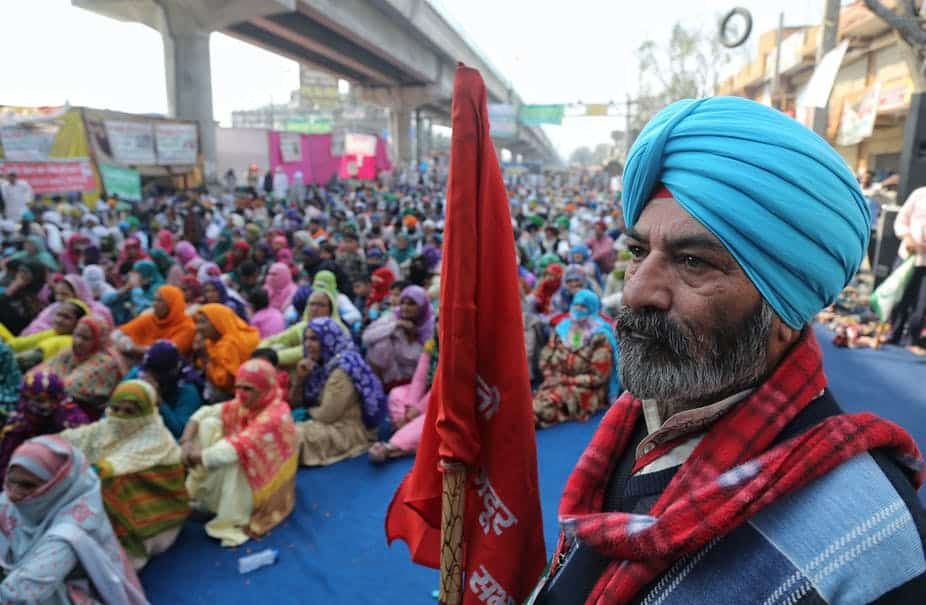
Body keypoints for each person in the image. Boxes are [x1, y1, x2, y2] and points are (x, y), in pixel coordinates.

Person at [530, 96, 926, 603]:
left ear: (785, 306)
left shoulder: (875, 542)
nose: (635, 292)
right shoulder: (637, 420)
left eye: (693, 261)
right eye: (637, 252)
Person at [0, 435, 149, 604]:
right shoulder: (31, 498)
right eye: (10, 482)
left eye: (28, 486)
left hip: (70, 592)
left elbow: (21, 593)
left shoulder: (72, 530)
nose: (12, 495)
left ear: (58, 485)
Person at [60, 380, 189, 570]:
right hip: (111, 504)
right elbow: (81, 436)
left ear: (147, 412)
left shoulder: (157, 439)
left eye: (130, 412)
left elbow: (116, 465)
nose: (120, 417)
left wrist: (93, 472)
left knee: (107, 484)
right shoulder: (109, 425)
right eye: (116, 409)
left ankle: (122, 547)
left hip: (154, 517)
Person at [182, 359, 298, 547]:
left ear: (264, 388)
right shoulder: (252, 401)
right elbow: (206, 411)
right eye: (239, 387)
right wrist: (186, 442)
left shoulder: (274, 415)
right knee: (209, 424)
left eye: (248, 389)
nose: (241, 394)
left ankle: (233, 516)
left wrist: (191, 456)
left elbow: (234, 449)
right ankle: (211, 499)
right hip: (245, 462)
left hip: (266, 483)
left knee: (237, 458)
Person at [290, 318, 383, 466]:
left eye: (314, 339)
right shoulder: (316, 363)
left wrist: (306, 412)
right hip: (323, 420)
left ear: (328, 339)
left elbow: (327, 415)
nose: (308, 344)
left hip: (347, 428)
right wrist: (300, 381)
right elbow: (295, 404)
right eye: (306, 339)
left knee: (292, 435)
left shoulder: (342, 370)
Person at [532, 290, 618, 428]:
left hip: (586, 390)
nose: (578, 309)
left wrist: (564, 380)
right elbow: (545, 357)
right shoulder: (562, 329)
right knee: (524, 405)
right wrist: (550, 377)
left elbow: (598, 377)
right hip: (554, 382)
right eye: (576, 304)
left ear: (592, 309)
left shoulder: (600, 336)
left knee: (542, 408)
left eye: (583, 306)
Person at [0, 370, 91, 482]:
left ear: (56, 398)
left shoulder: (74, 425)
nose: (30, 404)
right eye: (26, 398)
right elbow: (4, 463)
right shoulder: (18, 423)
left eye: (40, 400)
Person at [368, 330, 438, 464]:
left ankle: (390, 447)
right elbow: (420, 378)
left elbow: (441, 389)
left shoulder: (456, 350)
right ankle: (408, 433)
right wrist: (410, 407)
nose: (440, 325)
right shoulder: (432, 344)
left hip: (444, 400)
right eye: (438, 320)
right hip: (423, 398)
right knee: (397, 394)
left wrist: (413, 413)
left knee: (432, 418)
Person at [41, 315, 127, 419]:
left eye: (86, 338)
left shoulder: (106, 362)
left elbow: (70, 388)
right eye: (76, 335)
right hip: (55, 404)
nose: (78, 341)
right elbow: (40, 373)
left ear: (98, 341)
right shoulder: (69, 352)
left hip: (82, 416)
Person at [362, 285, 434, 391]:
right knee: (381, 343)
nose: (405, 307)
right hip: (387, 379)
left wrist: (413, 336)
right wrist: (396, 325)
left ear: (422, 307)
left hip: (415, 383)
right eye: (403, 303)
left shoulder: (429, 327)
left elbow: (423, 360)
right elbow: (367, 337)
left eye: (411, 304)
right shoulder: (394, 317)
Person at [259, 288, 345, 368]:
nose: (315, 309)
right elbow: (275, 339)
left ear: (331, 309)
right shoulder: (303, 326)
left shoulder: (335, 328)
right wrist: (260, 351)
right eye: (312, 304)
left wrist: (272, 357)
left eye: (321, 305)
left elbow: (305, 351)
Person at [887, 186, 926, 355]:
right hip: (907, 256)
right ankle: (894, 333)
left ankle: (914, 340)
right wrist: (908, 238)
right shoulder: (919, 194)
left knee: (922, 303)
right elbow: (901, 221)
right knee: (899, 297)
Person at [193, 303, 260, 402]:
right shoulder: (211, 341)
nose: (198, 327)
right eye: (197, 322)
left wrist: (205, 358)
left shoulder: (230, 344)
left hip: (239, 396)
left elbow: (224, 383)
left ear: (218, 322)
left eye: (203, 322)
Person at [137, 341, 203, 440]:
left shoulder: (188, 390)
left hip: (167, 439)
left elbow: (180, 431)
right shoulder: (140, 374)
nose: (148, 376)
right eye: (147, 370)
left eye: (153, 373)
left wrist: (159, 401)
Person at [1, 299, 88, 370]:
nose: (59, 320)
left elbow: (26, 359)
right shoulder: (53, 333)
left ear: (78, 323)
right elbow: (21, 343)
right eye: (58, 315)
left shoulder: (67, 342)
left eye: (66, 317)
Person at [113, 285, 196, 357]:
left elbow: (167, 353)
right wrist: (125, 343)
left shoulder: (187, 327)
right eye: (154, 300)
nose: (154, 304)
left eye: (159, 300)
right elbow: (117, 334)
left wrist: (133, 348)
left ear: (172, 304)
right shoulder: (150, 318)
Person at [21, 274, 113, 336]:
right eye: (57, 294)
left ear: (78, 294)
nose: (59, 298)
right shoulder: (54, 308)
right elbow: (37, 325)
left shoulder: (98, 312)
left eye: (64, 294)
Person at [0, 259, 47, 336]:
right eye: (20, 271)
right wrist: (14, 288)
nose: (21, 275)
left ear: (35, 276)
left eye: (26, 272)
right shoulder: (12, 287)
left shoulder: (40, 294)